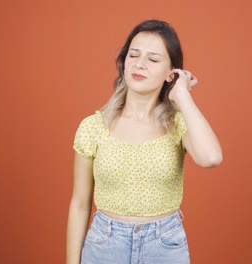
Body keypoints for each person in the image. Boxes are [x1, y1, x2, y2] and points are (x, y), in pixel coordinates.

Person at [66, 19, 223, 264]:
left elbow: (211, 157)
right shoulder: (93, 126)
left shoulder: (178, 124)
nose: (140, 64)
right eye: (134, 55)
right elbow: (79, 203)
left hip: (164, 247)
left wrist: (182, 95)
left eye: (153, 59)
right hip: (104, 247)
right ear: (124, 62)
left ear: (171, 71)